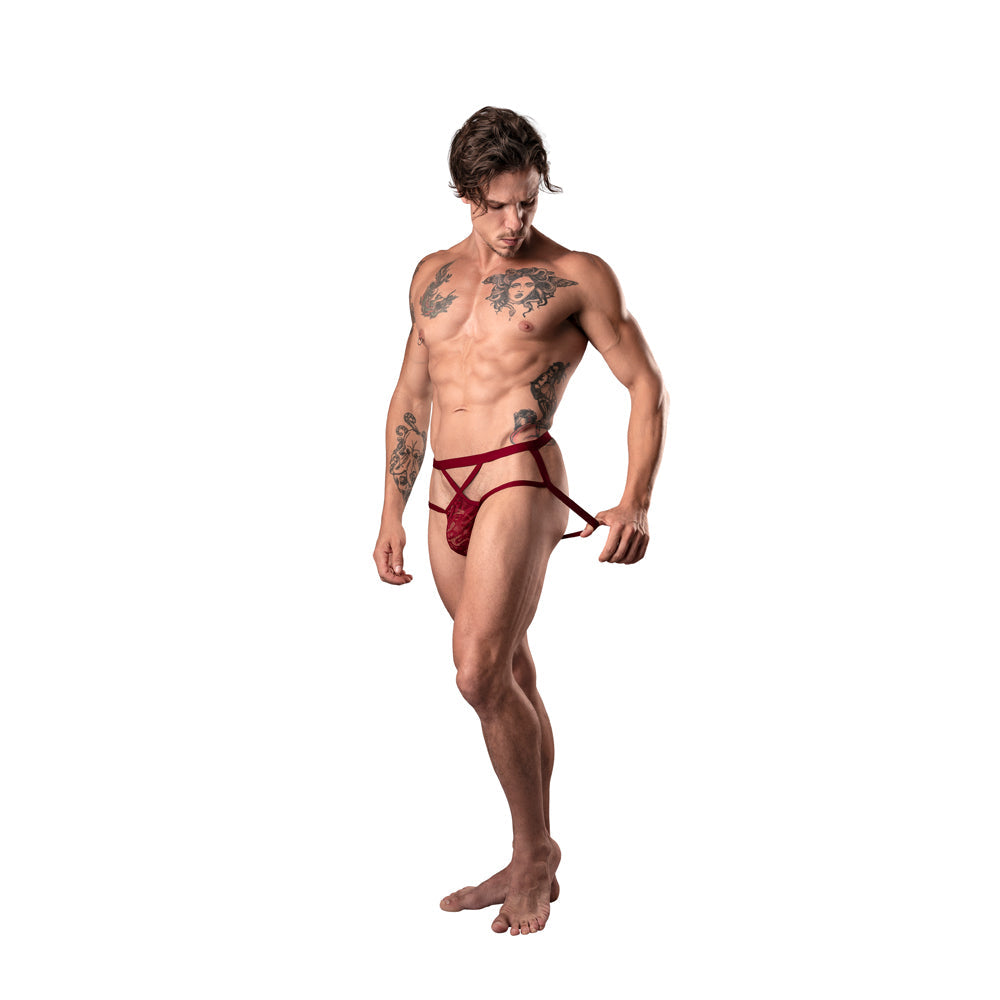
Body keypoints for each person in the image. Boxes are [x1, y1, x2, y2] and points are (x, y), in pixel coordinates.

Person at [373, 107, 667, 936]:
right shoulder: (431, 276)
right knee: (507, 676)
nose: (515, 222)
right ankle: (530, 850)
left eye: (528, 202)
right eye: (498, 205)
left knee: (475, 673)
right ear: (466, 194)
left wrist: (636, 497)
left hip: (519, 473)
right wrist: (391, 509)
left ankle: (534, 854)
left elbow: (645, 383)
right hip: (447, 486)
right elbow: (411, 393)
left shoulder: (577, 275)